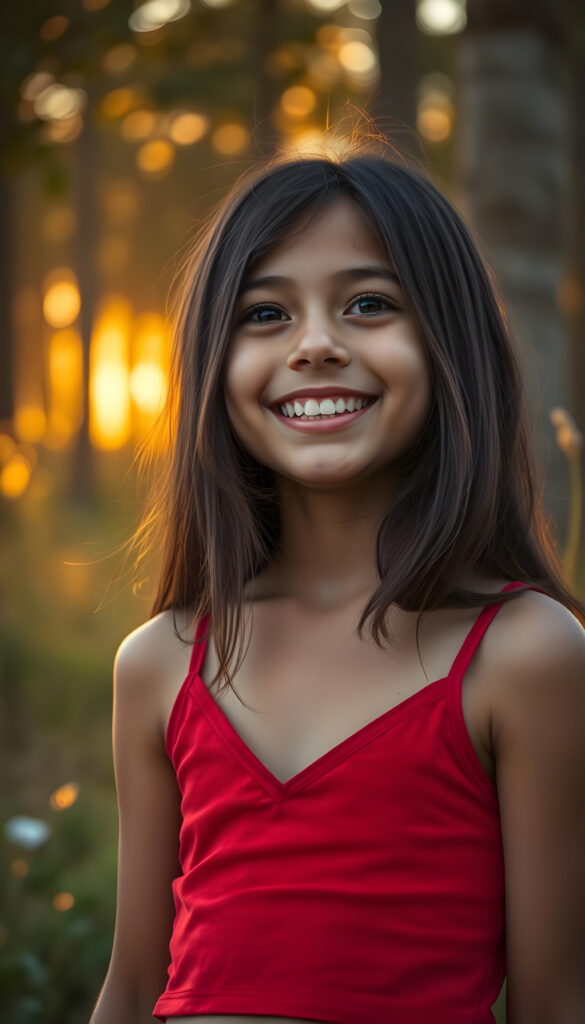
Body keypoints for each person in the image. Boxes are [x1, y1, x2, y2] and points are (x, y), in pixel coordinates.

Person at [90, 136, 585, 1024]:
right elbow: (130, 988)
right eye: (264, 315)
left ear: (449, 343)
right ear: (213, 363)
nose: (314, 345)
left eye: (367, 304)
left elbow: (553, 1001)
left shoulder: (525, 655)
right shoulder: (161, 661)